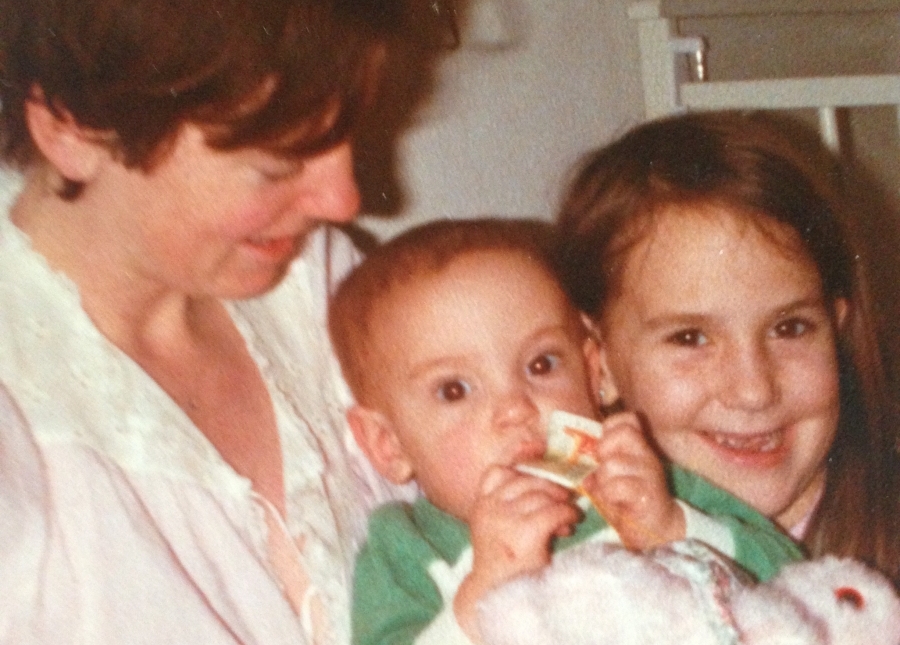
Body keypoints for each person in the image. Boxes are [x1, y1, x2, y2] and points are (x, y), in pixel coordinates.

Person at [0, 1, 420, 643]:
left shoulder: (326, 286)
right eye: (276, 164)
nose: (344, 200)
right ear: (74, 131)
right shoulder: (22, 415)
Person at [327, 218, 803, 645]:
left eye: (541, 364)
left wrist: (673, 527)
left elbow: (802, 591)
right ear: (387, 444)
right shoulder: (406, 548)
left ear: (594, 374)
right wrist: (481, 595)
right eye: (454, 390)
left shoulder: (655, 487)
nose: (516, 408)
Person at [555, 110, 900, 585]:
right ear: (600, 363)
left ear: (836, 331)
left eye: (790, 328)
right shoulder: (568, 544)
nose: (753, 390)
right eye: (690, 338)